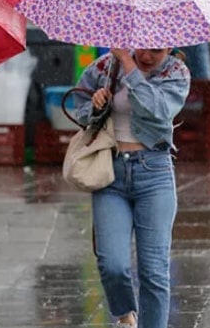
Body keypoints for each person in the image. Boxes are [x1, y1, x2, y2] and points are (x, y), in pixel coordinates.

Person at [73, 48, 190, 328]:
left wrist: (129, 65)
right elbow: (80, 107)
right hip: (110, 172)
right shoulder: (104, 67)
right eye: (144, 49)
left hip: (154, 172)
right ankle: (126, 316)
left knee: (153, 271)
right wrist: (96, 106)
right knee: (111, 263)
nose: (148, 57)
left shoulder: (175, 72)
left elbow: (158, 110)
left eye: (157, 51)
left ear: (170, 45)